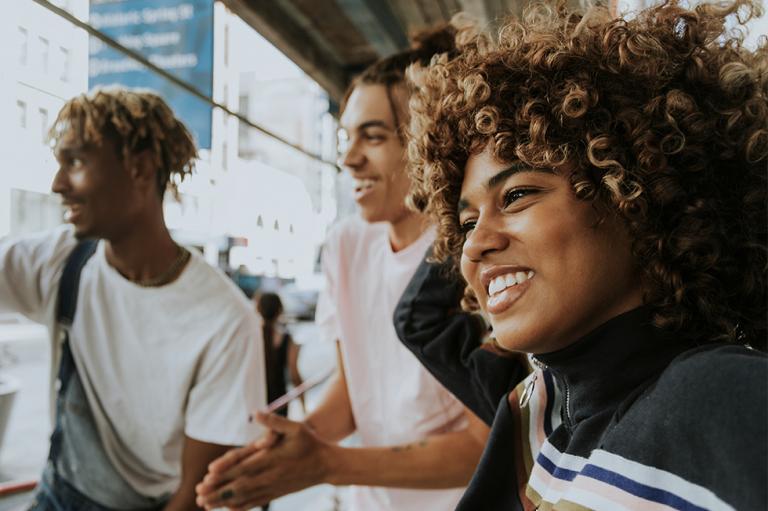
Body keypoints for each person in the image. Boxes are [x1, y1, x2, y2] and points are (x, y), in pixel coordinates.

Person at [396, 0, 768, 509]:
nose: (475, 244)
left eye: (517, 195)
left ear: (635, 194)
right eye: (464, 222)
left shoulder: (724, 397)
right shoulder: (534, 407)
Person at [196, 25, 489, 511]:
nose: (349, 159)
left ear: (428, 141)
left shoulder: (472, 249)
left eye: (372, 137)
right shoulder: (346, 243)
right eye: (345, 138)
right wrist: (289, 448)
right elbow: (353, 392)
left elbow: (484, 444)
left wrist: (328, 464)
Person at [0, 87, 266, 510]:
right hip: (57, 494)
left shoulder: (225, 320)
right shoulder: (60, 260)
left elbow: (195, 496)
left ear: (140, 169)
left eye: (76, 162)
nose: (57, 184)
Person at [256, 292, 303, 416]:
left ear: (258, 309)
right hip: (280, 403)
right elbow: (295, 376)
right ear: (280, 310)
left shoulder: (251, 338)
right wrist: (304, 407)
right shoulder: (286, 338)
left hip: (255, 402)